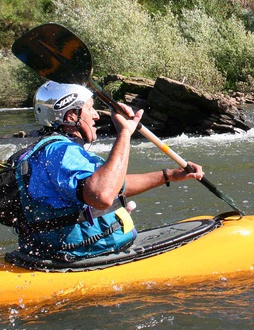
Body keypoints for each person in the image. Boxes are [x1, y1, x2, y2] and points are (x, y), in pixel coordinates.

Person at [16, 81, 204, 261]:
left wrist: (169, 175)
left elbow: (113, 185)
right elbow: (103, 195)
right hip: (83, 255)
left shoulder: (49, 151)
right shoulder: (61, 152)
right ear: (71, 116)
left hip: (61, 252)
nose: (97, 116)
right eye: (90, 109)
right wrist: (124, 133)